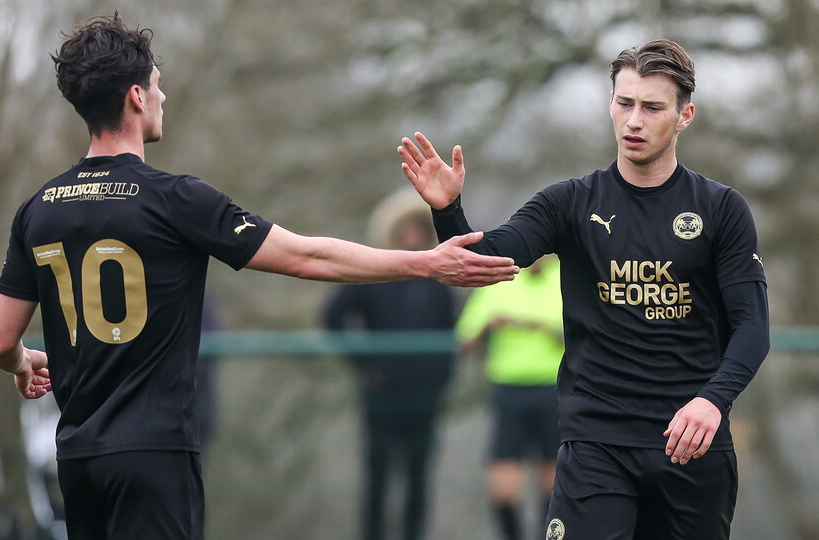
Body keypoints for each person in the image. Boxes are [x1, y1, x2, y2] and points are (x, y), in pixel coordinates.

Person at [0, 13, 518, 540]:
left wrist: (23, 363)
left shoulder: (38, 209)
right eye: (158, 85)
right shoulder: (176, 199)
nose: (163, 97)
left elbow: (0, 339)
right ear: (136, 97)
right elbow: (309, 257)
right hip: (155, 456)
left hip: (76, 457)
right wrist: (425, 262)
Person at [397, 38, 770, 539]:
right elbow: (484, 261)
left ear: (685, 115)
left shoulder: (721, 209)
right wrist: (448, 211)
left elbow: (753, 325)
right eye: (624, 103)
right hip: (596, 444)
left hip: (690, 444)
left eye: (653, 107)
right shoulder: (569, 202)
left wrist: (713, 401)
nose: (634, 120)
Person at [322, 189, 456, 540]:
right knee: (377, 478)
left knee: (418, 477)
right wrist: (364, 364)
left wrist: (439, 378)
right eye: (406, 230)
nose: (412, 237)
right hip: (381, 397)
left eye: (419, 231)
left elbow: (452, 333)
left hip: (423, 399)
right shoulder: (373, 278)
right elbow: (333, 315)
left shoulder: (439, 285)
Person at [455, 254, 563, 540]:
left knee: (554, 486)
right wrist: (490, 326)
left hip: (554, 392)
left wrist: (547, 330)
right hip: (509, 393)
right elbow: (465, 340)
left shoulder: (567, 277)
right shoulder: (498, 280)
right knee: (503, 488)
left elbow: (590, 334)